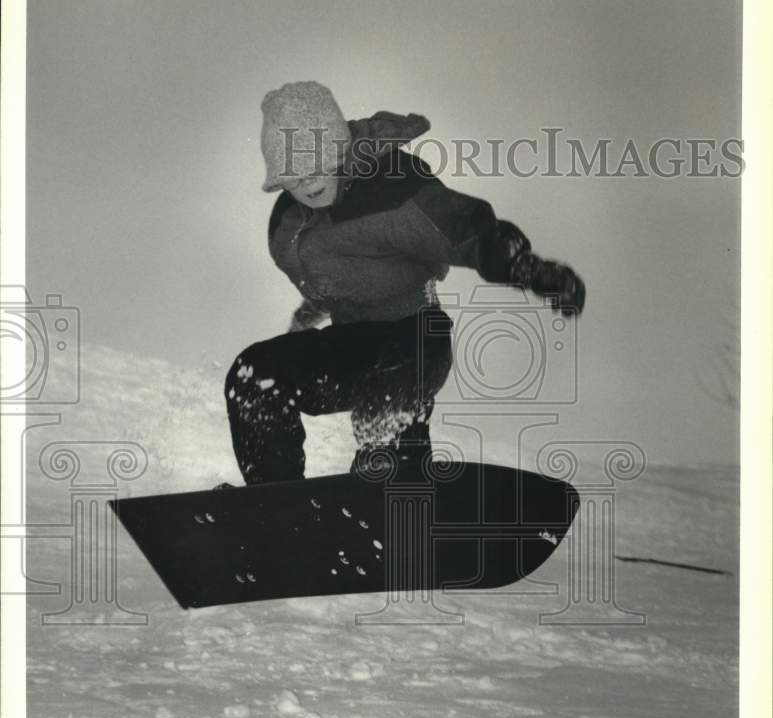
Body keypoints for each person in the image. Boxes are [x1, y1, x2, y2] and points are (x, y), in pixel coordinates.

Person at [225, 81, 584, 485]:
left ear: (340, 149)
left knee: (386, 413)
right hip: (353, 343)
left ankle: (396, 485)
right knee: (256, 372)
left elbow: (462, 229)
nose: (307, 184)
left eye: (316, 164)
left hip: (413, 337)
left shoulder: (393, 190)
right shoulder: (289, 227)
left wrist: (528, 269)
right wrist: (311, 311)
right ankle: (274, 503)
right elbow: (338, 280)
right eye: (293, 175)